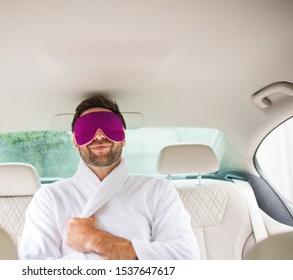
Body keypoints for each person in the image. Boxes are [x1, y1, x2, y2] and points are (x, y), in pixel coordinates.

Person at [19, 95, 200, 260]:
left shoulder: (158, 190)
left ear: (123, 137)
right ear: (75, 141)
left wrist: (96, 240)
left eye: (108, 127)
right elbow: (34, 269)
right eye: (88, 129)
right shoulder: (49, 198)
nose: (98, 135)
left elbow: (185, 258)